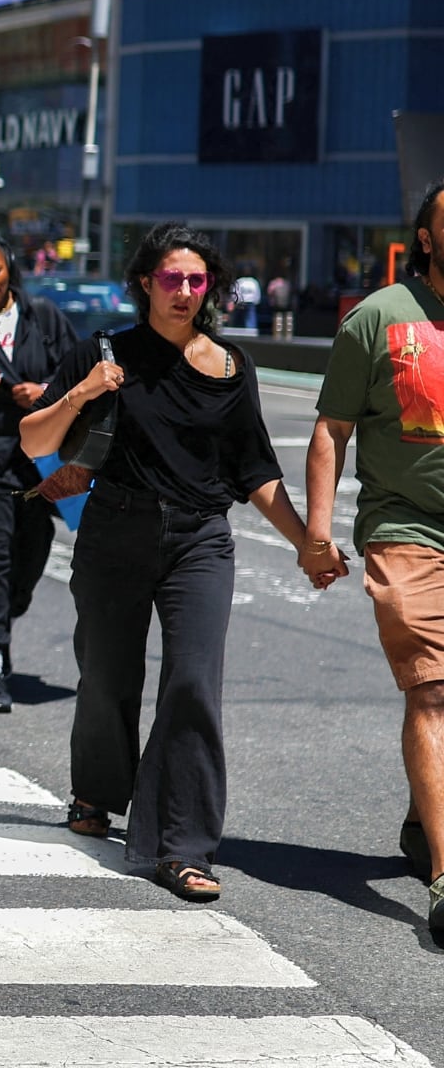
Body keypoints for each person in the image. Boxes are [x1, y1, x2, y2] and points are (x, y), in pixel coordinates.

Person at [22, 222, 324, 903]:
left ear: (210, 286)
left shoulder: (230, 367)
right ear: (144, 284)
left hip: (200, 541)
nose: (184, 292)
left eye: (196, 280)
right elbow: (34, 437)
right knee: (107, 675)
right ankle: (96, 793)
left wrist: (308, 541)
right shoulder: (105, 354)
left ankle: (181, 845)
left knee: (192, 683)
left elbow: (256, 472)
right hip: (115, 532)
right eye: (170, 279)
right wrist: (82, 394)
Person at [307, 181, 444, 934]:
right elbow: (331, 430)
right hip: (408, 528)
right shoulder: (380, 318)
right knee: (431, 691)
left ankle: (428, 820)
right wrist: (319, 533)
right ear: (424, 236)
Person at [0, 233, 76, 712]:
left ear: (10, 271)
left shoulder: (43, 317)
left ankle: (2, 620)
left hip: (37, 465)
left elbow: (76, 374)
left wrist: (43, 392)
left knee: (32, 548)